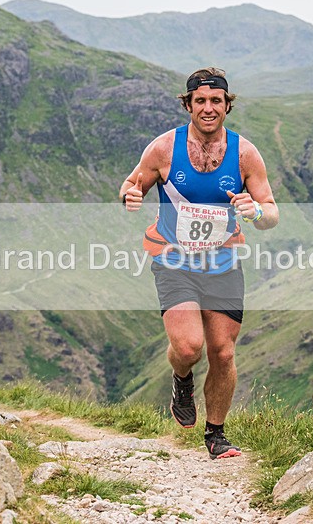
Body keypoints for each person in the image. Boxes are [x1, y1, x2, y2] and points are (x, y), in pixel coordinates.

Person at [119, 68, 278, 459]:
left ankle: (216, 434)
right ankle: (182, 377)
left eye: (216, 102)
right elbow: (130, 184)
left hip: (223, 262)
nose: (208, 109)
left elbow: (272, 214)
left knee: (222, 352)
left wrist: (254, 210)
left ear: (227, 106)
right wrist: (130, 196)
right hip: (174, 259)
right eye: (200, 101)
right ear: (188, 104)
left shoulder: (244, 154)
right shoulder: (163, 149)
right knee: (189, 347)